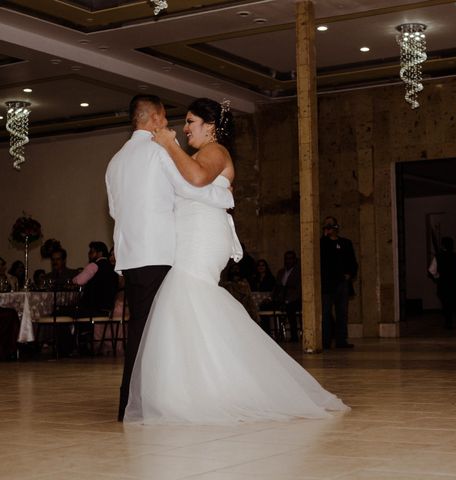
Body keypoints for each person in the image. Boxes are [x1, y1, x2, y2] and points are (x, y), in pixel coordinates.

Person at [124, 97, 348, 424]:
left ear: (210, 126)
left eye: (190, 122)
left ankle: (210, 389)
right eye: (184, 123)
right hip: (191, 234)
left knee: (185, 294)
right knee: (186, 302)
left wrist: (170, 145)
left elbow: (198, 179)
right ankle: (199, 388)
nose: (184, 128)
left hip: (202, 236)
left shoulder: (216, 152)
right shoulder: (198, 154)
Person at [106, 94, 236, 422]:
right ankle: (148, 401)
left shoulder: (115, 161)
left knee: (145, 328)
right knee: (158, 332)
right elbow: (190, 187)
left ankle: (134, 402)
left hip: (131, 254)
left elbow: (114, 209)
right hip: (160, 251)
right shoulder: (158, 152)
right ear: (154, 119)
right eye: (165, 119)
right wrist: (224, 193)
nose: (171, 127)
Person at [320, 216, 358, 349]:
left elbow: (353, 262)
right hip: (327, 284)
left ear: (336, 226)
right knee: (325, 314)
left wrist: (350, 274)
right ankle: (325, 341)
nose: (329, 227)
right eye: (326, 225)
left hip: (342, 283)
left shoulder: (346, 243)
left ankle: (341, 340)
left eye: (331, 225)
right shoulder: (322, 244)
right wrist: (325, 238)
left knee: (342, 313)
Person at [428, 236, 456, 333]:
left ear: (442, 245)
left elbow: (432, 270)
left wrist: (438, 277)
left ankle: (448, 323)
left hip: (444, 285)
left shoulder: (438, 257)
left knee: (446, 305)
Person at [273, 250, 302, 342]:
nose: (288, 261)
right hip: (282, 297)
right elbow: (277, 286)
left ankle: (294, 336)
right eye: (286, 259)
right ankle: (268, 335)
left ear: (295, 259)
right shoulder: (281, 272)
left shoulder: (299, 271)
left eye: (291, 258)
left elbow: (299, 289)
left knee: (290, 308)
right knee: (265, 306)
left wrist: (289, 300)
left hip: (295, 299)